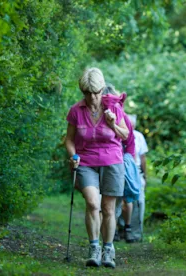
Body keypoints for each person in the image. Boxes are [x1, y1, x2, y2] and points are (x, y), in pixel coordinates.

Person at [64, 68, 129, 268]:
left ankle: (108, 250)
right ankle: (94, 247)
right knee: (93, 203)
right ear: (83, 92)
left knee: (109, 208)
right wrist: (73, 155)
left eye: (96, 92)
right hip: (86, 162)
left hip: (112, 161)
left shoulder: (114, 109)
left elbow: (125, 135)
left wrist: (112, 125)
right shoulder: (76, 111)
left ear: (102, 90)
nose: (93, 97)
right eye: (88, 93)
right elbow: (69, 140)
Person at [122, 114, 148, 241]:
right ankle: (121, 230)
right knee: (121, 201)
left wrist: (144, 175)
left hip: (136, 172)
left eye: (132, 125)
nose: (130, 126)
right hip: (120, 169)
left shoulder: (139, 136)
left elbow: (143, 158)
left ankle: (137, 233)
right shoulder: (119, 133)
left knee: (139, 201)